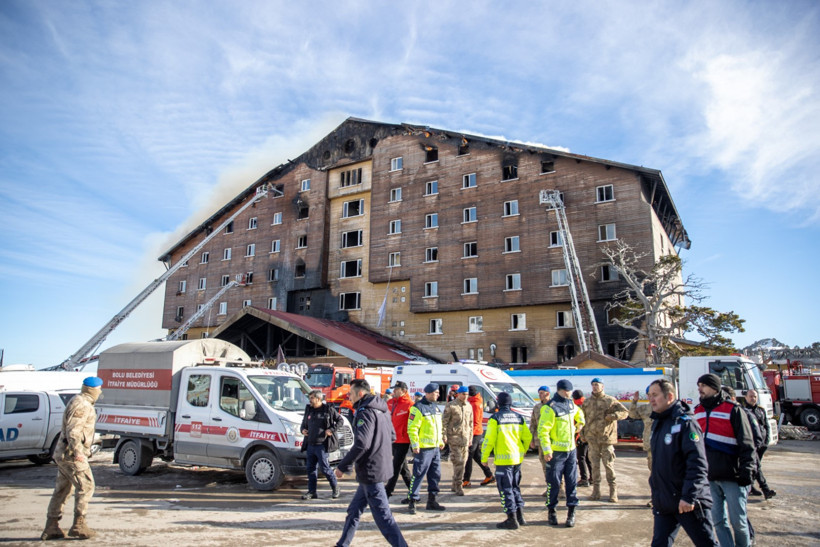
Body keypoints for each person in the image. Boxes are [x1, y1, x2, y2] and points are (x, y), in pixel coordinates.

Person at [334, 379, 407, 547]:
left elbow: (362, 443)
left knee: (383, 517)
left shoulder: (364, 412)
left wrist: (343, 465)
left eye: (351, 394)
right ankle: (343, 544)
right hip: (376, 468)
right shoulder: (382, 409)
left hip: (371, 471)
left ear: (360, 393)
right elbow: (392, 437)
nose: (349, 397)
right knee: (354, 510)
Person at [647, 378, 718, 547]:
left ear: (669, 396)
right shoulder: (658, 422)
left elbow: (698, 465)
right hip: (664, 503)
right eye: (649, 395)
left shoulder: (686, 424)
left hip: (687, 503)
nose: (651, 399)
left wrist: (688, 497)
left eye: (655, 395)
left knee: (707, 544)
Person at [694, 374, 755, 547]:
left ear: (715, 387)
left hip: (733, 477)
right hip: (709, 477)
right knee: (718, 522)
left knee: (739, 523)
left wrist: (747, 470)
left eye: (704, 385)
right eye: (699, 385)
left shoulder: (733, 409)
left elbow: (747, 443)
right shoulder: (697, 411)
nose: (700, 389)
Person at [41, 376, 103, 541]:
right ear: (93, 389)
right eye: (99, 388)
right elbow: (74, 431)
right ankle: (79, 525)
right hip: (71, 455)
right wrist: (78, 452)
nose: (100, 392)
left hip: (64, 454)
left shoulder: (79, 400)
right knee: (87, 486)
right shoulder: (82, 404)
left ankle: (51, 526)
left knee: (63, 489)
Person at [481, 391, 532, 529]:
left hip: (504, 461)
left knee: (505, 489)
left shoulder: (495, 418)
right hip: (517, 459)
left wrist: (484, 457)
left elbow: (489, 440)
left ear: (498, 403)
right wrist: (523, 451)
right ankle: (520, 516)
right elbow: (527, 438)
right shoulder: (519, 417)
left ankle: (511, 518)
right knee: (515, 487)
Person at [539, 379, 585, 527]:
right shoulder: (550, 408)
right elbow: (543, 431)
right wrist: (547, 450)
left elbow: (580, 414)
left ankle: (571, 512)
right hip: (556, 453)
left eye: (570, 391)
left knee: (572, 483)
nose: (569, 393)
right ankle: (551, 510)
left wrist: (580, 424)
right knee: (554, 484)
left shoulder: (570, 404)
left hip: (571, 451)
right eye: (567, 391)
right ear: (560, 390)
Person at [581, 377, 628, 502]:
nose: (595, 387)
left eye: (597, 384)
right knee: (595, 466)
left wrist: (613, 416)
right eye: (593, 385)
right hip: (592, 439)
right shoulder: (587, 402)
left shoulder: (610, 400)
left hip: (606, 439)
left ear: (602, 386)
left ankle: (613, 492)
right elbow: (582, 419)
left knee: (608, 465)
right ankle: (596, 492)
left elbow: (625, 412)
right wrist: (582, 434)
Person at [406, 382, 445, 514]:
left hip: (435, 448)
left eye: (438, 392)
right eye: (436, 392)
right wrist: (415, 445)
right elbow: (412, 428)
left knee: (435, 475)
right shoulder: (418, 408)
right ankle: (413, 500)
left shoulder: (436, 407)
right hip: (423, 449)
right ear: (428, 393)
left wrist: (440, 440)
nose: (438, 395)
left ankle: (432, 501)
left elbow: (438, 427)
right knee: (418, 474)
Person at [300, 390, 343, 500]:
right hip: (310, 444)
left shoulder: (328, 409)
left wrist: (331, 430)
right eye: (310, 398)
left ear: (318, 399)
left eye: (312, 398)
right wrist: (303, 430)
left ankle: (335, 488)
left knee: (325, 469)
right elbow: (304, 423)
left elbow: (340, 421)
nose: (310, 400)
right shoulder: (309, 409)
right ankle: (312, 492)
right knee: (310, 469)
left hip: (322, 445)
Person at [742, 389, 776, 499]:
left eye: (755, 396)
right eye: (751, 396)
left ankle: (751, 487)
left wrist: (766, 441)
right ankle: (766, 489)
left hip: (762, 444)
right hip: (751, 444)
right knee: (757, 466)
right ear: (746, 397)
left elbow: (766, 426)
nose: (753, 399)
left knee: (755, 467)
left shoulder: (760, 410)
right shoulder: (743, 411)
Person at [441, 386, 474, 496]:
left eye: (467, 394)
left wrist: (470, 438)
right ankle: (459, 485)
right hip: (454, 438)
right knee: (458, 461)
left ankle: (454, 483)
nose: (465, 396)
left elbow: (470, 423)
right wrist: (444, 435)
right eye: (463, 394)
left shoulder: (469, 406)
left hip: (465, 439)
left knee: (463, 463)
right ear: (458, 394)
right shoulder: (451, 406)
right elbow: (444, 422)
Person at [385, 381, 413, 498]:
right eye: (394, 389)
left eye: (397, 389)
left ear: (404, 391)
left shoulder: (410, 405)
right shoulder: (390, 403)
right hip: (392, 439)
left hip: (403, 440)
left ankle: (388, 491)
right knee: (403, 468)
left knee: (396, 466)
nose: (394, 391)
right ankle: (413, 489)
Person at [463, 386, 494, 488]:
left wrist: (470, 434)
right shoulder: (475, 401)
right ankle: (489, 475)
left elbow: (474, 421)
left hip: (475, 432)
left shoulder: (475, 404)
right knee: (476, 455)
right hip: (476, 431)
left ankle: (466, 480)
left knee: (469, 455)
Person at [529, 386, 552, 495]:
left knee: (555, 466)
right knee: (545, 466)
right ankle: (549, 487)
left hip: (553, 441)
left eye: (542, 393)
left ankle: (560, 488)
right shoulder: (537, 407)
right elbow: (533, 423)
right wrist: (531, 439)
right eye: (539, 393)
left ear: (548, 393)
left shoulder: (554, 406)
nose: (540, 395)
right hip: (540, 441)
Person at [629, 387, 654, 470]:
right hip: (650, 443)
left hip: (664, 443)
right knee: (652, 467)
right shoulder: (645, 408)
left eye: (654, 394)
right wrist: (634, 401)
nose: (651, 397)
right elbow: (632, 415)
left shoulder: (665, 408)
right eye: (649, 395)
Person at [571, 389, 592, 487]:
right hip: (590, 434)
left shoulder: (576, 406)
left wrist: (577, 436)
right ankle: (592, 478)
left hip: (581, 435)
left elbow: (577, 422)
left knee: (581, 457)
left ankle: (584, 479)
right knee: (588, 457)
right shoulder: (588, 403)